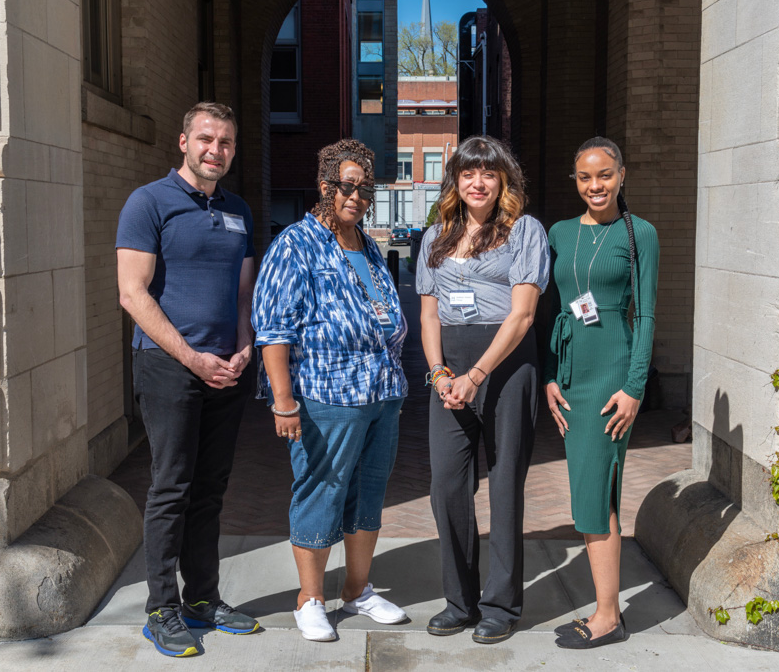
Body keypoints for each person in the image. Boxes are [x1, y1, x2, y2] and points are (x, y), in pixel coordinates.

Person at [116, 101, 260, 657]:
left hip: (226, 370)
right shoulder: (148, 202)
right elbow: (133, 292)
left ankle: (203, 599)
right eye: (205, 139)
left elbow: (243, 291)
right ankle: (161, 609)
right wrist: (192, 357)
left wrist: (245, 343)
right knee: (171, 486)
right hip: (167, 365)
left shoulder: (239, 210)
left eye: (225, 142)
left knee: (211, 489)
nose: (215, 151)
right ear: (183, 142)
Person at [252, 139, 409, 642]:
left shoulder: (367, 245)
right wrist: (283, 401)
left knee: (369, 494)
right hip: (326, 397)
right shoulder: (296, 244)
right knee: (320, 492)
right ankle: (310, 599)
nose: (358, 196)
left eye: (366, 188)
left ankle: (357, 592)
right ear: (325, 187)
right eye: (348, 186)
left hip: (382, 392)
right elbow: (273, 329)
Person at [416, 135, 549, 644]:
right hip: (450, 367)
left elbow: (523, 314)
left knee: (503, 485)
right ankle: (460, 600)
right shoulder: (435, 237)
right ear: (456, 181)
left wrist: (477, 376)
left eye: (488, 173)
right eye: (469, 173)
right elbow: (428, 313)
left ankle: (500, 604)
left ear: (503, 182)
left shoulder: (524, 232)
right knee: (447, 486)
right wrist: (440, 372)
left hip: (507, 364)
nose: (478, 182)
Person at [544, 136, 659, 650]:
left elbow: (648, 315)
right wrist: (550, 374)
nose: (596, 185)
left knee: (595, 492)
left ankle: (607, 615)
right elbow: (553, 310)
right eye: (586, 177)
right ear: (576, 180)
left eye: (605, 175)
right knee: (591, 489)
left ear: (622, 174)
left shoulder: (641, 234)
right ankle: (608, 606)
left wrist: (634, 388)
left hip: (612, 372)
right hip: (570, 374)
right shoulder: (560, 233)